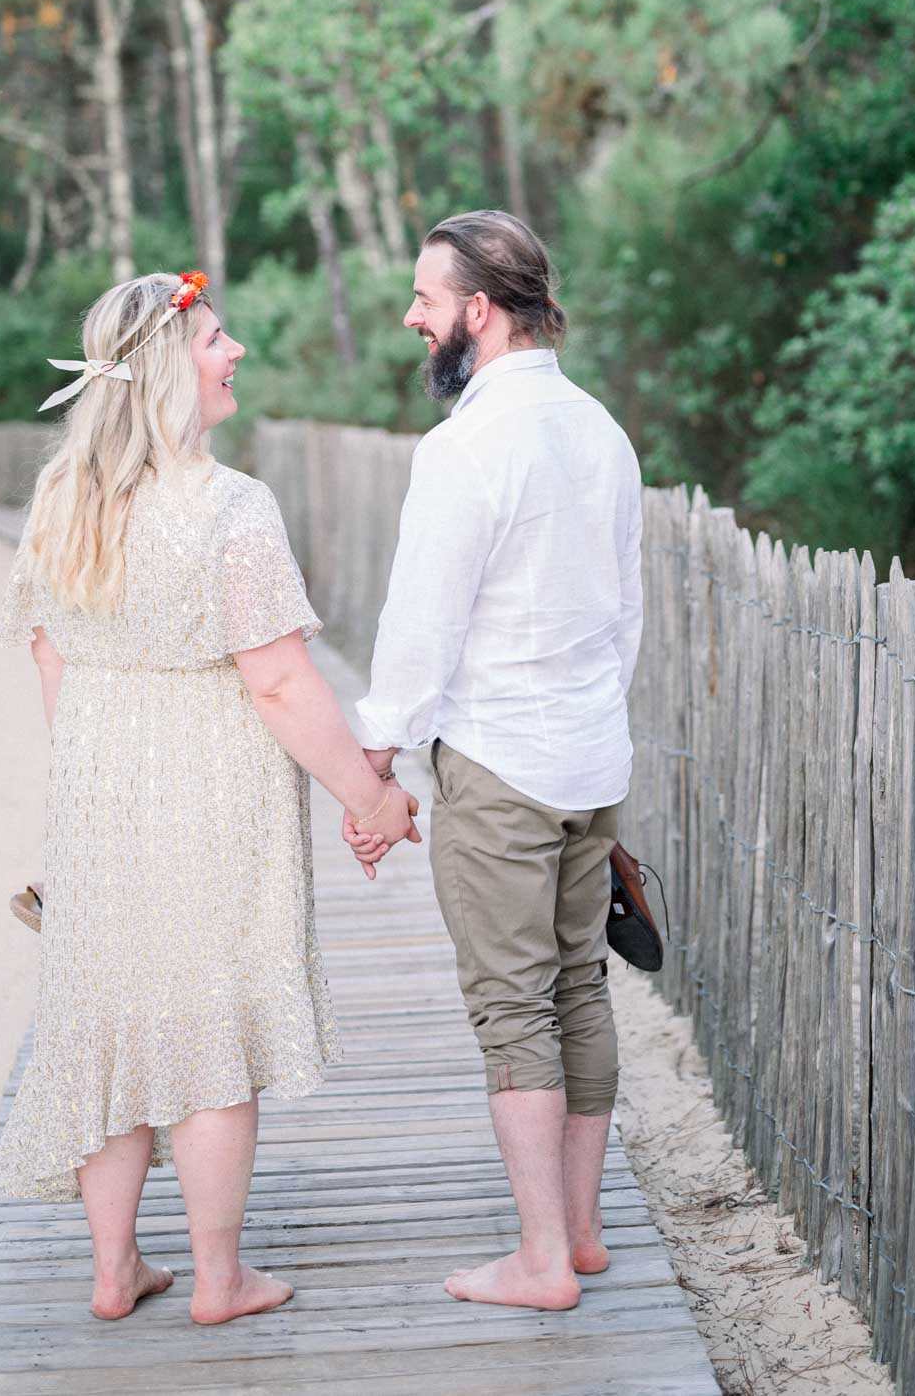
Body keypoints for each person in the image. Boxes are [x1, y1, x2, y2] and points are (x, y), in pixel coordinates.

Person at [0, 270, 418, 1326]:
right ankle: (219, 1278)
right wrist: (369, 796)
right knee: (209, 1024)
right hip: (211, 787)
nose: (234, 354)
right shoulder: (230, 506)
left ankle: (111, 1268)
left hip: (97, 786)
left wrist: (96, 783)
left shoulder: (60, 496)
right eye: (217, 340)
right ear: (169, 367)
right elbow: (277, 683)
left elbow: (50, 657)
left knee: (112, 1023)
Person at [344, 210, 643, 1313]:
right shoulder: (601, 429)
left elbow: (422, 625)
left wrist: (374, 755)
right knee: (579, 985)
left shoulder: (467, 446)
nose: (411, 318)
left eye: (425, 299)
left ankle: (538, 1261)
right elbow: (625, 617)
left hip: (501, 765)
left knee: (512, 1007)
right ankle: (584, 1233)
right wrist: (593, 721)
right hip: (588, 757)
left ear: (478, 310)